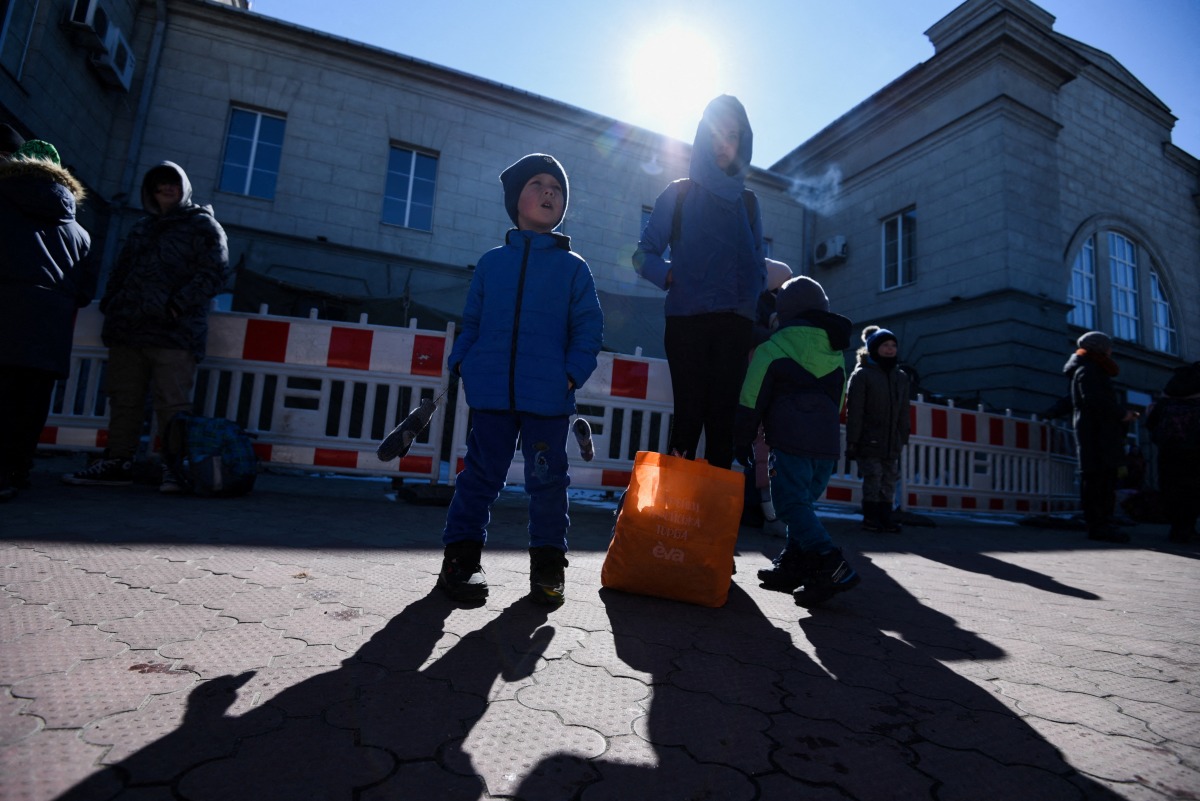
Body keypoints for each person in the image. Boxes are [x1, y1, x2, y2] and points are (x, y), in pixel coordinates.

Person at [438, 153, 603, 605]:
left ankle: (549, 567)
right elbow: (471, 321)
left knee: (548, 483)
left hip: (548, 398)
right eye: (538, 183)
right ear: (516, 200)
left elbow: (588, 329)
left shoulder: (574, 268)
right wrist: (462, 361)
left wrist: (571, 374)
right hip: (491, 392)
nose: (550, 191)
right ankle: (460, 562)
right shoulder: (492, 263)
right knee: (479, 477)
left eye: (557, 186)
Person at [63, 161, 230, 491]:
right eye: (159, 183)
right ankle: (119, 461)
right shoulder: (141, 228)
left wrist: (175, 306)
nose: (167, 188)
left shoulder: (203, 225)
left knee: (172, 404)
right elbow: (120, 271)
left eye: (173, 182)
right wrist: (113, 304)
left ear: (184, 187)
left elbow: (215, 272)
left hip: (174, 334)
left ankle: (174, 467)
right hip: (129, 330)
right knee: (124, 399)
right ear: (149, 191)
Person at [633, 95, 766, 470]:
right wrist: (672, 274)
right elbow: (643, 255)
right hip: (687, 321)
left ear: (744, 141)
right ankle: (677, 520)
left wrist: (751, 298)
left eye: (733, 135)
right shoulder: (678, 194)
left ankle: (711, 524)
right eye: (716, 133)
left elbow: (758, 263)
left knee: (723, 424)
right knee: (688, 420)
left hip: (735, 325)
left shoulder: (750, 203)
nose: (724, 143)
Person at [733, 275, 859, 607]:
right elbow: (840, 401)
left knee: (789, 506)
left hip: (790, 443)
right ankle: (793, 565)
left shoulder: (772, 348)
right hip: (827, 447)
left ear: (783, 313)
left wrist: (742, 438)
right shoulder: (835, 353)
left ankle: (833, 565)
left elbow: (752, 397)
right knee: (802, 505)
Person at [0, 140, 96, 501]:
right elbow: (86, 292)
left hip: (5, 316)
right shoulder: (81, 234)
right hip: (50, 332)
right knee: (31, 404)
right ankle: (16, 471)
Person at [1063, 331, 1138, 543]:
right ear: (1100, 348)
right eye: (1108, 346)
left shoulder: (1089, 368)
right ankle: (1100, 525)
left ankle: (1101, 523)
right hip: (1097, 435)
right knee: (1100, 480)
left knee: (1098, 479)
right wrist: (1122, 414)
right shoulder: (1090, 370)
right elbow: (1096, 402)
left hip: (1096, 433)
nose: (1111, 350)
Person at [845, 325, 911, 532]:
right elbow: (855, 411)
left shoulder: (900, 376)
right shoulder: (863, 375)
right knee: (873, 478)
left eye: (893, 345)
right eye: (885, 345)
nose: (890, 349)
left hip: (892, 440)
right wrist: (853, 441)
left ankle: (885, 516)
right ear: (874, 347)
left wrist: (903, 435)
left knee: (889, 479)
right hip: (869, 438)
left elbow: (903, 409)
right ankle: (871, 517)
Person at [1145, 361, 1200, 543]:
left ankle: (1178, 529)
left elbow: (1151, 422)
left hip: (1169, 450)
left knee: (1172, 489)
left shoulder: (1168, 396)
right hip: (1194, 451)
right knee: (1193, 490)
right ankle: (1188, 529)